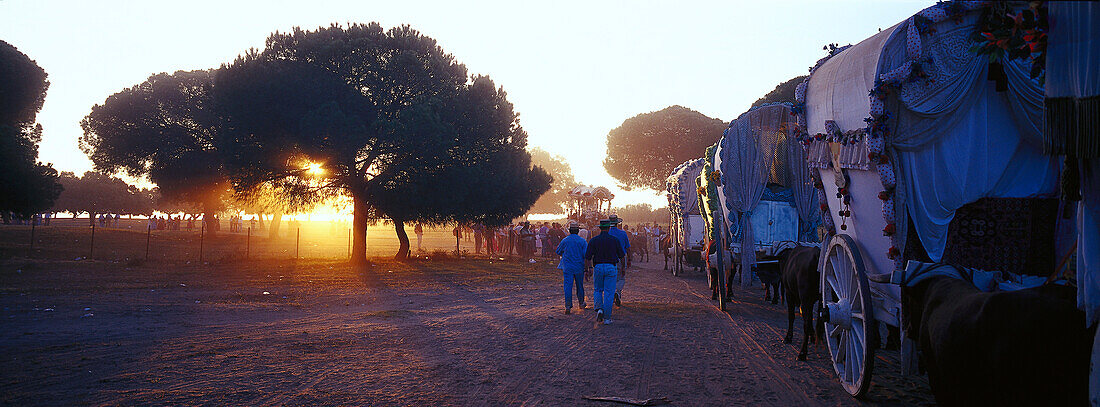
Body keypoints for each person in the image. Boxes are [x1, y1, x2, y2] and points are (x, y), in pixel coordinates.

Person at [585, 219, 625, 324]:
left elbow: (587, 257)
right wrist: (623, 268)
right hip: (611, 267)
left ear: (600, 228)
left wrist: (588, 269)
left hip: (597, 266)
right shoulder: (614, 240)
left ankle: (599, 309)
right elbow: (622, 256)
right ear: (608, 228)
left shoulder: (594, 240)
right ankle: (607, 318)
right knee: (609, 292)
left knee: (598, 290)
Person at [556, 223, 588, 314]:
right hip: (579, 267)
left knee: (568, 287)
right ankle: (581, 303)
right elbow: (586, 255)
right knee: (579, 286)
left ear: (569, 231)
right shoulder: (582, 241)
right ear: (578, 231)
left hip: (567, 267)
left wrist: (565, 254)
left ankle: (568, 306)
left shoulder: (565, 240)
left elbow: (558, 251)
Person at [607, 215, 631, 307]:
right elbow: (628, 248)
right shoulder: (623, 233)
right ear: (617, 223)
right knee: (621, 277)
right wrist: (629, 259)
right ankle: (618, 292)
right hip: (621, 258)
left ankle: (613, 295)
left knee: (610, 278)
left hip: (608, 258)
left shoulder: (607, 233)